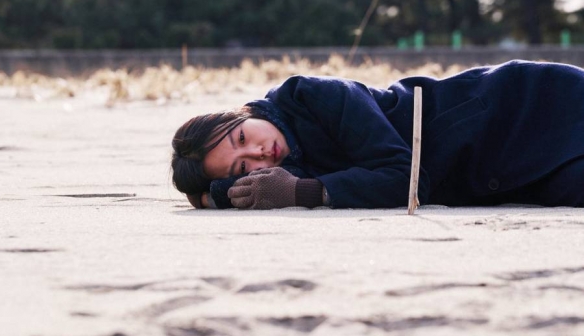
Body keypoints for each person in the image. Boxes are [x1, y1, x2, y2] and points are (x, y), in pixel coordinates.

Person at [171, 60, 584, 209]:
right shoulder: (285, 167)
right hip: (504, 174)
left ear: (240, 113)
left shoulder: (315, 96)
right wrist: (215, 195)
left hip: (521, 107)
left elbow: (407, 179)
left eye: (243, 138)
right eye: (246, 167)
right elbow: (244, 189)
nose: (263, 154)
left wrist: (303, 193)